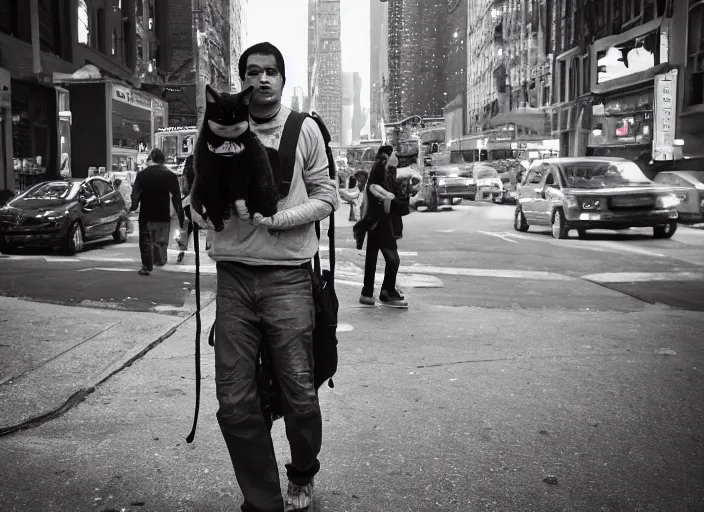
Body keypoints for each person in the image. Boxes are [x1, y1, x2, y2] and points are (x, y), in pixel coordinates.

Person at [190, 42, 338, 512]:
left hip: (289, 277)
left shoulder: (305, 129)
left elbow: (328, 196)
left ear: (282, 78)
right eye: (253, 72)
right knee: (233, 400)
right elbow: (193, 192)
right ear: (241, 82)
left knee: (299, 391)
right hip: (233, 277)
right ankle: (264, 501)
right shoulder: (214, 130)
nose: (262, 80)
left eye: (271, 71)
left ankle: (302, 472)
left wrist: (279, 220)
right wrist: (196, 214)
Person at [358, 147, 408, 308]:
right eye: (393, 154)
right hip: (382, 224)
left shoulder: (383, 175)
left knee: (371, 259)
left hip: (374, 224)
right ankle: (387, 292)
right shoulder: (379, 178)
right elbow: (387, 201)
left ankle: (367, 292)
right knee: (393, 260)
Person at [130, 148, 184, 276]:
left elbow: (135, 194)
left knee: (145, 240)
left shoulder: (142, 175)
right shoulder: (170, 175)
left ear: (151, 159)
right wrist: (180, 216)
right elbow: (177, 198)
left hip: (146, 214)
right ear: (163, 160)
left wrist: (133, 206)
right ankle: (160, 260)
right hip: (162, 214)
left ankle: (146, 266)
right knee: (160, 239)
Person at [176, 155, 195, 263]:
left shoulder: (185, 174)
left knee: (186, 229)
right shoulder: (202, 172)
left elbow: (183, 189)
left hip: (187, 202)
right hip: (200, 201)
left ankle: (182, 249)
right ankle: (208, 247)